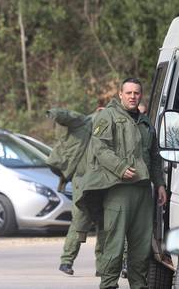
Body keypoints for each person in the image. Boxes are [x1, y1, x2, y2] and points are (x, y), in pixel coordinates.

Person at [77, 77, 167, 289]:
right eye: (129, 93)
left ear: (140, 95)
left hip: (143, 191)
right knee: (114, 245)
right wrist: (119, 168)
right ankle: (108, 285)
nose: (133, 97)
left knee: (141, 247)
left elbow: (154, 156)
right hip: (118, 190)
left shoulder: (145, 122)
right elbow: (100, 148)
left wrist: (160, 183)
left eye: (136, 93)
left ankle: (138, 286)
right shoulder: (108, 116)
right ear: (120, 94)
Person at [46, 108, 99, 276]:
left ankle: (103, 266)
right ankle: (67, 260)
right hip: (82, 180)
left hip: (102, 181)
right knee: (80, 219)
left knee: (106, 223)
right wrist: (54, 113)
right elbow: (68, 116)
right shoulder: (83, 123)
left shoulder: (113, 128)